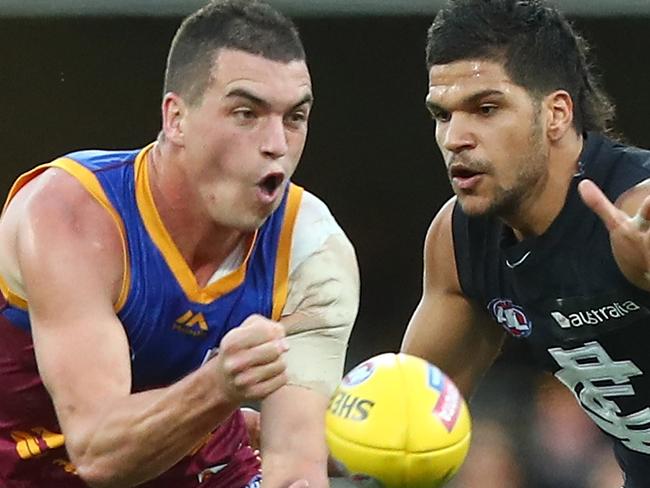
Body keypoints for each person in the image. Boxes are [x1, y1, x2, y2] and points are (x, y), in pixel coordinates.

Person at [0, 1, 359, 487]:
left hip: (206, 470)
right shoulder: (71, 216)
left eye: (294, 117)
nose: (276, 142)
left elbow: (295, 467)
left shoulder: (313, 251)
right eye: (246, 113)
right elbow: (101, 454)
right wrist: (221, 385)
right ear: (176, 119)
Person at [400, 0, 650, 486]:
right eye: (442, 115)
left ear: (556, 113)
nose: (456, 137)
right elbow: (407, 422)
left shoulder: (632, 209)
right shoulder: (459, 245)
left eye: (486, 108)